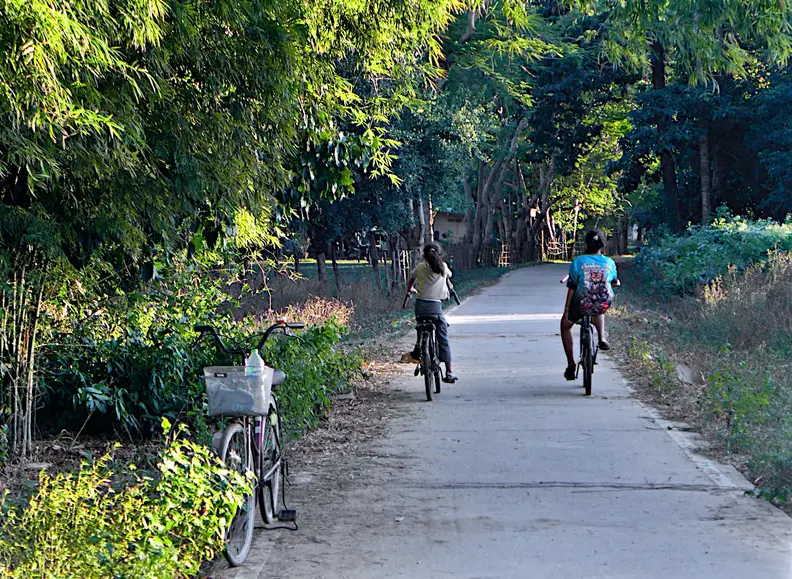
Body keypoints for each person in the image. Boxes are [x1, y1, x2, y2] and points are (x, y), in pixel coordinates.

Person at [561, 230, 618, 381]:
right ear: (603, 244)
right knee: (598, 307)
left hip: (582, 301)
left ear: (586, 243)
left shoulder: (578, 261)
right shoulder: (609, 262)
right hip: (603, 301)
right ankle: (601, 338)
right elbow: (613, 280)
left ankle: (571, 365)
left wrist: (566, 310)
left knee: (565, 325)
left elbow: (572, 286)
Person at [406, 243, 458, 383]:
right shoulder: (443, 267)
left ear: (424, 256)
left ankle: (418, 347)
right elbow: (449, 277)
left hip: (420, 306)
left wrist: (409, 290)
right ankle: (449, 371)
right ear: (440, 255)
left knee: (420, 325)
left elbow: (411, 280)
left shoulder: (419, 267)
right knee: (443, 337)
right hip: (435, 307)